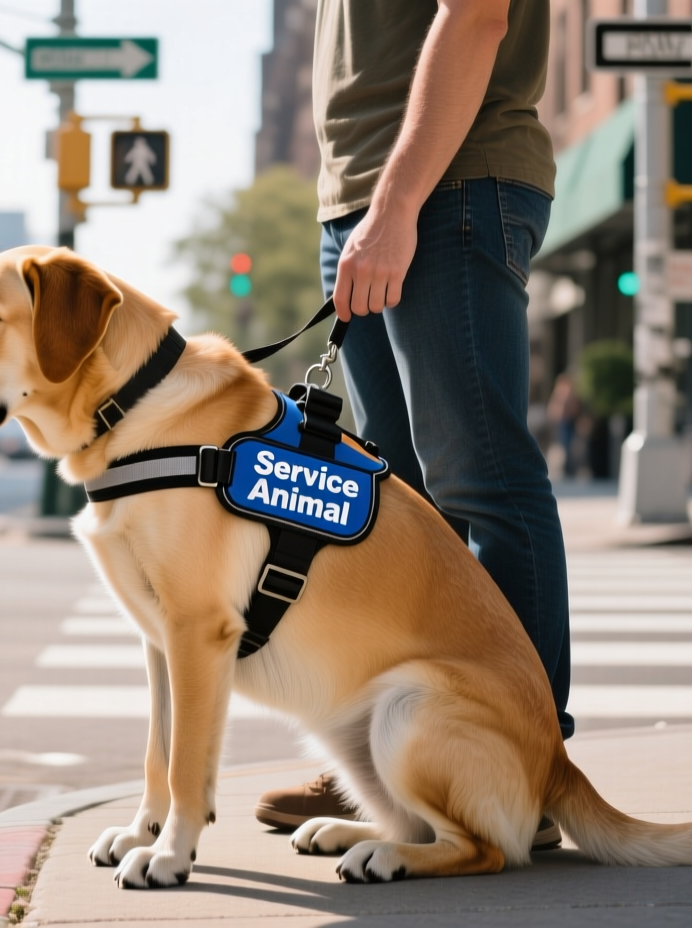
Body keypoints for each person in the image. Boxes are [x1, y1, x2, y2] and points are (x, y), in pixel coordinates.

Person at [253, 0, 573, 851]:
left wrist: (394, 209)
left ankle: (526, 773)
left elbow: (475, 17)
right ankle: (390, 762)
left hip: (443, 187)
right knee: (399, 515)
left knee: (484, 479)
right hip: (367, 199)